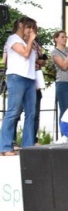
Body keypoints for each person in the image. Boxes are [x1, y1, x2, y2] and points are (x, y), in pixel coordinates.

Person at [0, 17, 38, 156]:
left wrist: (31, 42)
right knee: (13, 112)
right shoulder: (13, 39)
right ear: (21, 25)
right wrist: (31, 40)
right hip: (17, 77)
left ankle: (27, 147)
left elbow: (33, 60)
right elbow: (25, 53)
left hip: (30, 79)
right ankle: (4, 147)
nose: (31, 31)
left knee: (31, 113)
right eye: (29, 27)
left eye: (33, 28)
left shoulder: (27, 41)